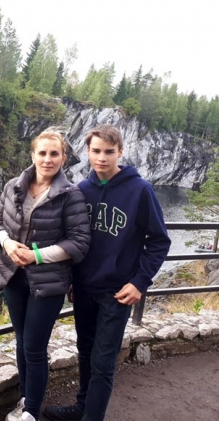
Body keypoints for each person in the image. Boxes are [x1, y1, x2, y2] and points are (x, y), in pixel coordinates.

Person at [41, 124, 171, 421]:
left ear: (120, 152)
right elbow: (74, 240)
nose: (102, 158)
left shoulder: (140, 190)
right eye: (96, 151)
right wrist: (73, 279)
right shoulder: (81, 190)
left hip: (118, 291)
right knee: (85, 350)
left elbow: (159, 241)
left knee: (103, 361)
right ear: (87, 151)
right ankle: (82, 407)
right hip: (84, 287)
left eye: (109, 152)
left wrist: (139, 282)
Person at [0, 129, 91, 421]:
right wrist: (8, 244)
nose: (48, 159)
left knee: (34, 347)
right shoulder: (13, 186)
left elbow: (79, 242)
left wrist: (35, 256)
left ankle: (31, 412)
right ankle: (26, 398)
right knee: (22, 342)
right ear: (33, 155)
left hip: (49, 280)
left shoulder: (71, 195)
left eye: (54, 154)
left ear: (64, 158)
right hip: (13, 275)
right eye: (42, 153)